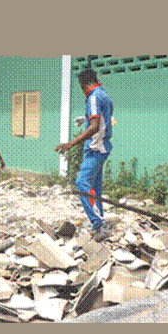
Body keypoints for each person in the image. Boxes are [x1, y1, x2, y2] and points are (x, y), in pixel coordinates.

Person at [55, 68, 113, 242]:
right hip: (101, 147)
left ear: (83, 84)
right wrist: (86, 118)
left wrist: (71, 143)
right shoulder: (104, 95)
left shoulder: (93, 97)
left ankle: (98, 224)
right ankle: (100, 219)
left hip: (96, 148)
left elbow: (95, 127)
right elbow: (104, 118)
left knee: (82, 183)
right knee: (95, 187)